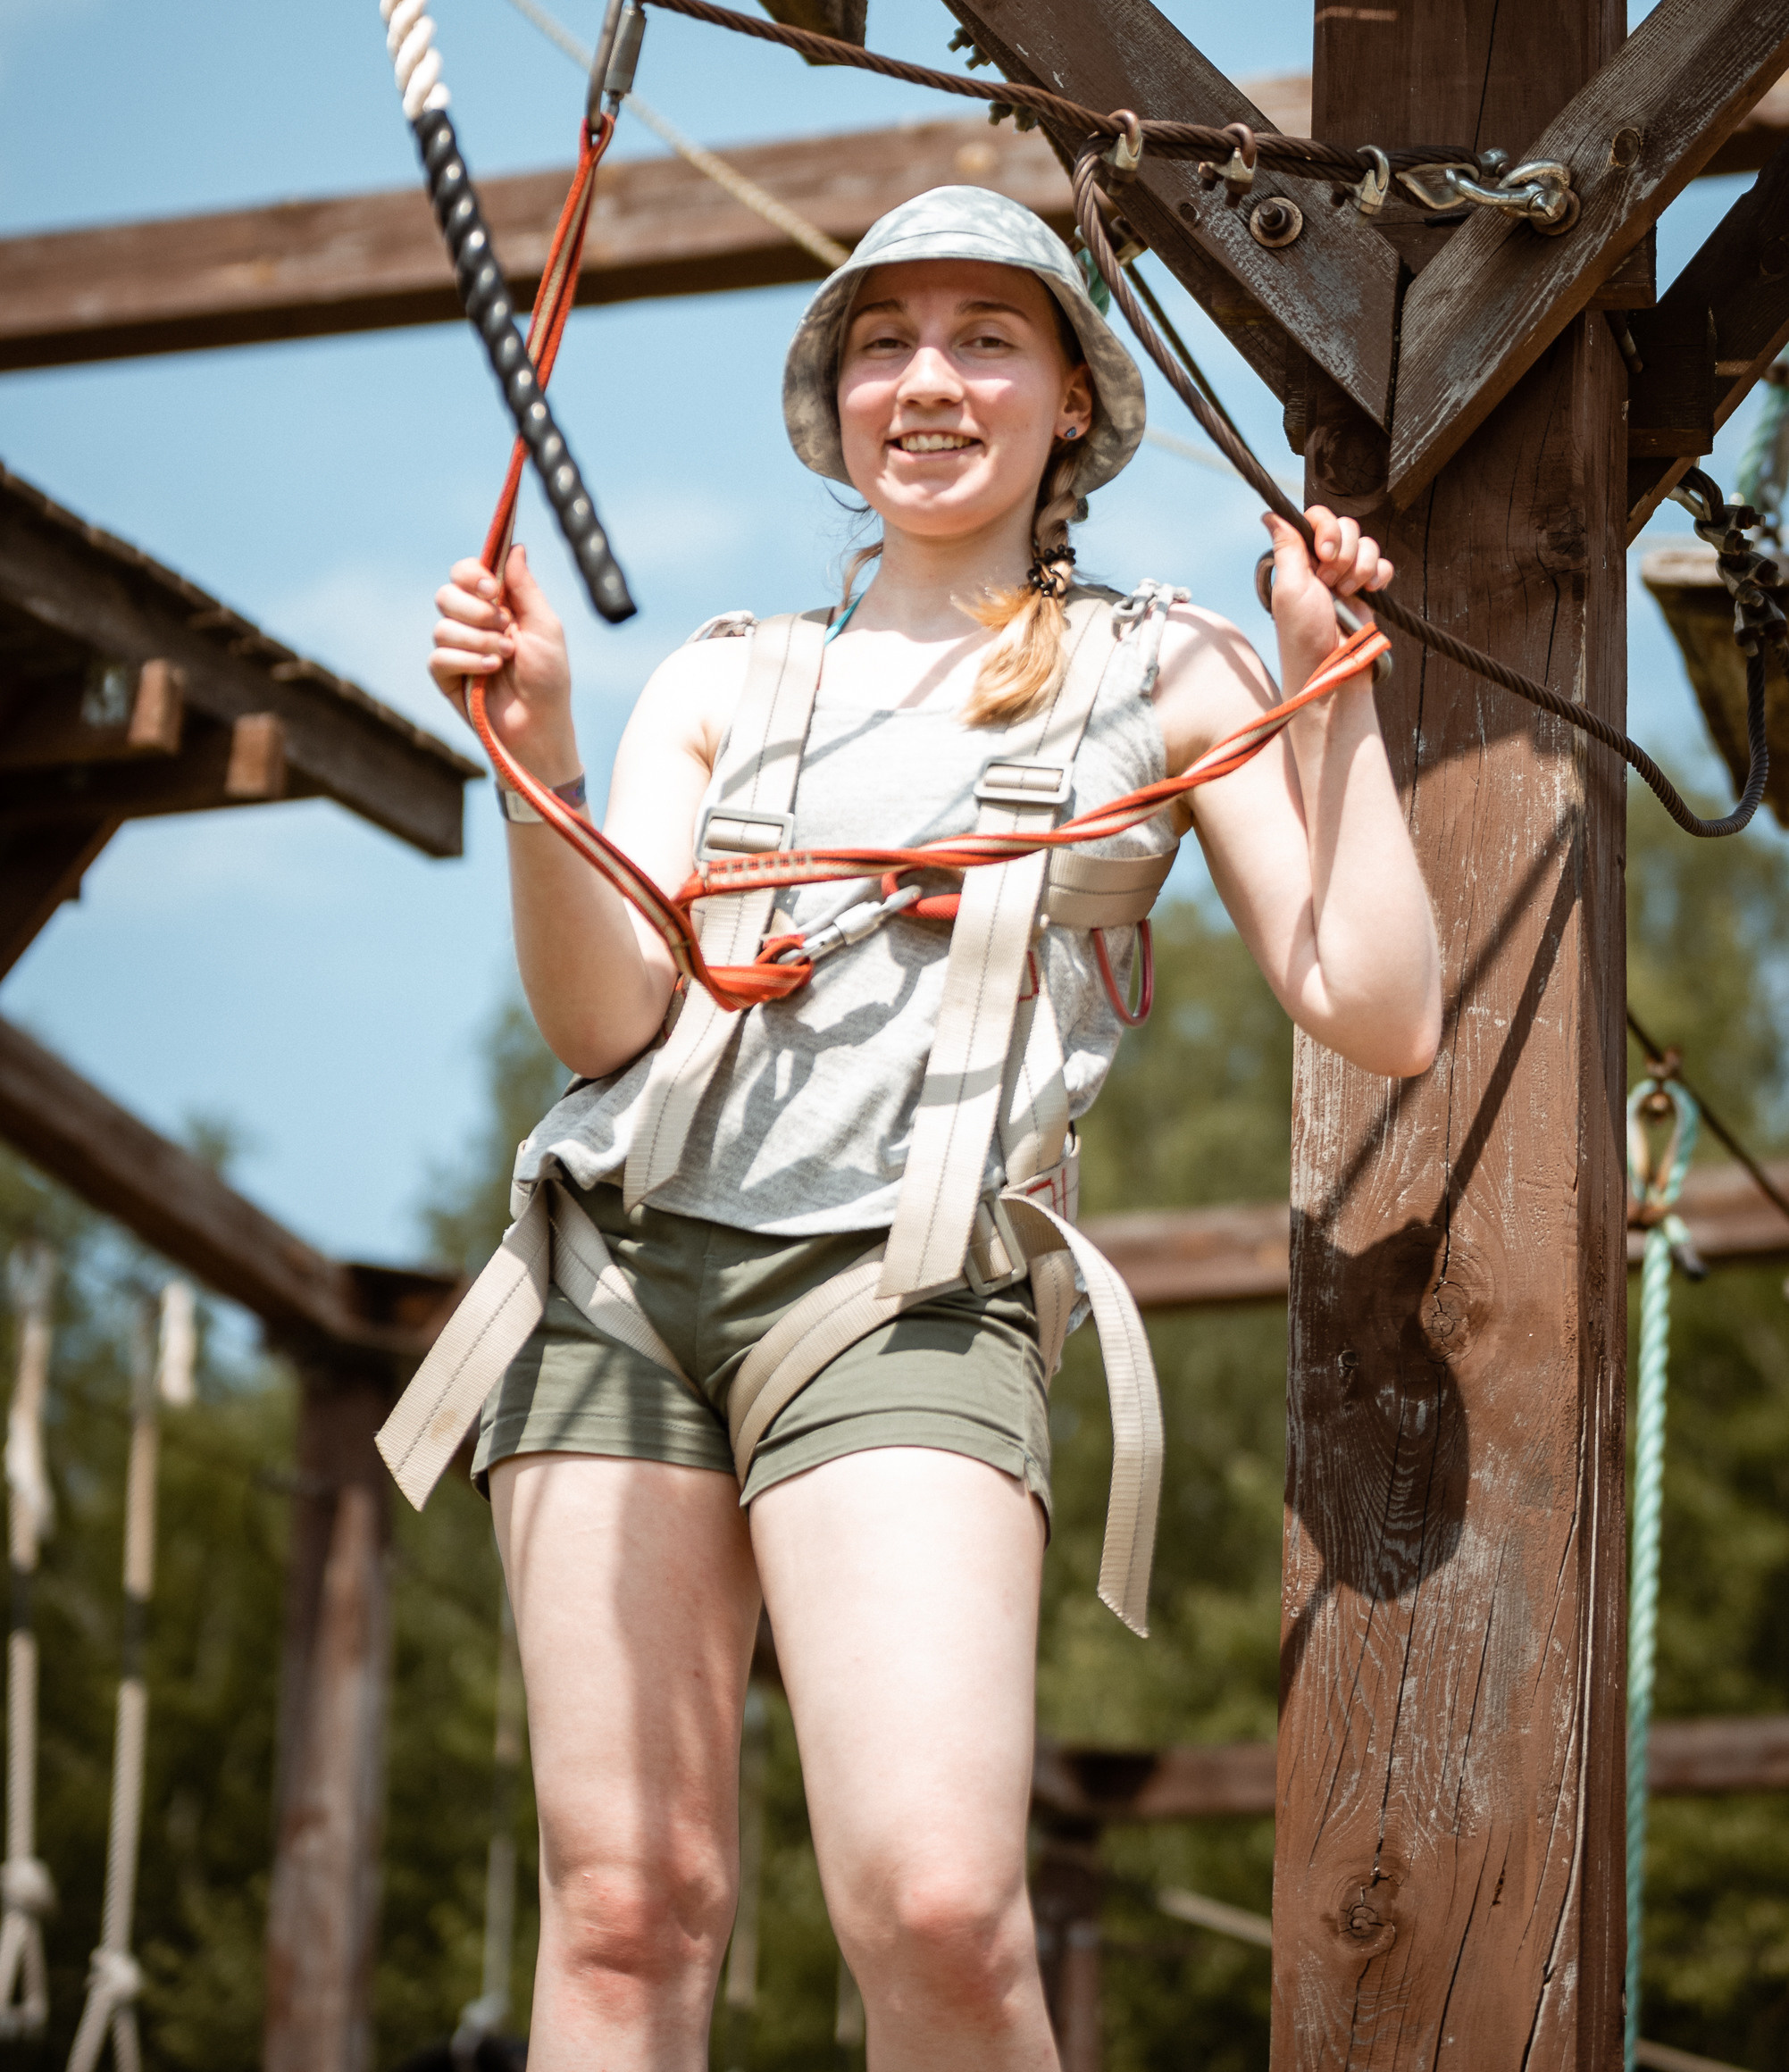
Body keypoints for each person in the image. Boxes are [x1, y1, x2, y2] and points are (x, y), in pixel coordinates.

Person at [424, 188, 1441, 2072]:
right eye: (885, 342)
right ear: (835, 403)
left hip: (906, 1297)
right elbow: (605, 1023)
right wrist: (538, 753)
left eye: (988, 338)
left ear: (1074, 401)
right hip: (621, 1285)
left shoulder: (1167, 667)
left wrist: (1327, 692)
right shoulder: (727, 677)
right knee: (627, 1910)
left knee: (940, 1911)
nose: (930, 381)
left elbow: (1378, 1003)